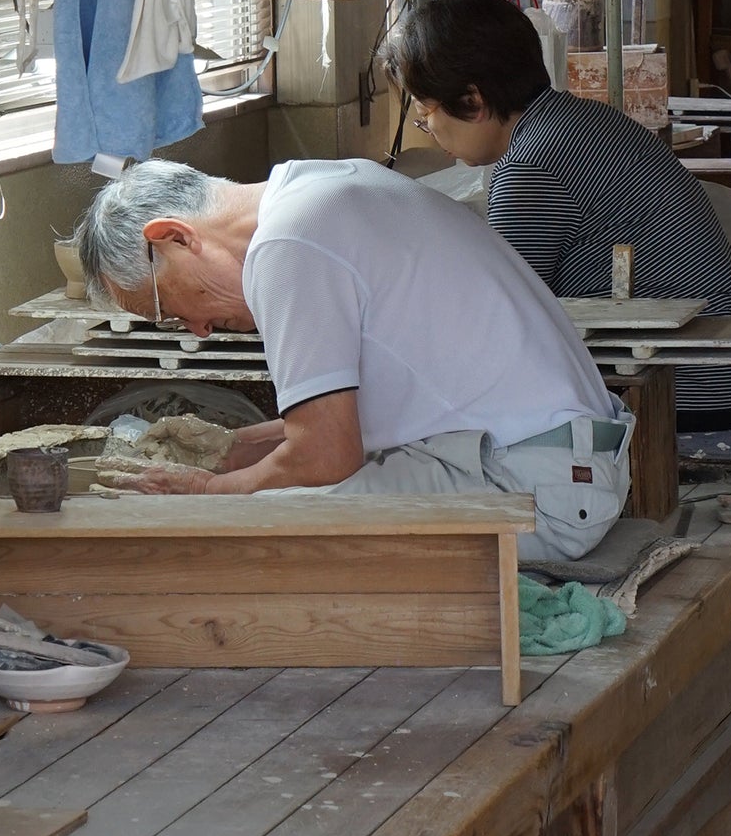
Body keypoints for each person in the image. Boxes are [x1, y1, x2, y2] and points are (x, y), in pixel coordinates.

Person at [69, 156, 632, 561]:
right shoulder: (316, 188)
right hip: (568, 465)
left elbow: (324, 456)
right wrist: (233, 448)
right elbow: (335, 425)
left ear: (174, 236)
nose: (198, 330)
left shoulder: (287, 245)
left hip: (543, 493)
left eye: (168, 310)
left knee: (254, 527)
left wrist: (204, 494)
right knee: (264, 490)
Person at [383, 0, 731, 427]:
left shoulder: (529, 168)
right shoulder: (581, 118)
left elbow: (502, 327)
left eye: (426, 114)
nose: (428, 130)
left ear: (472, 101)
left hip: (688, 389)